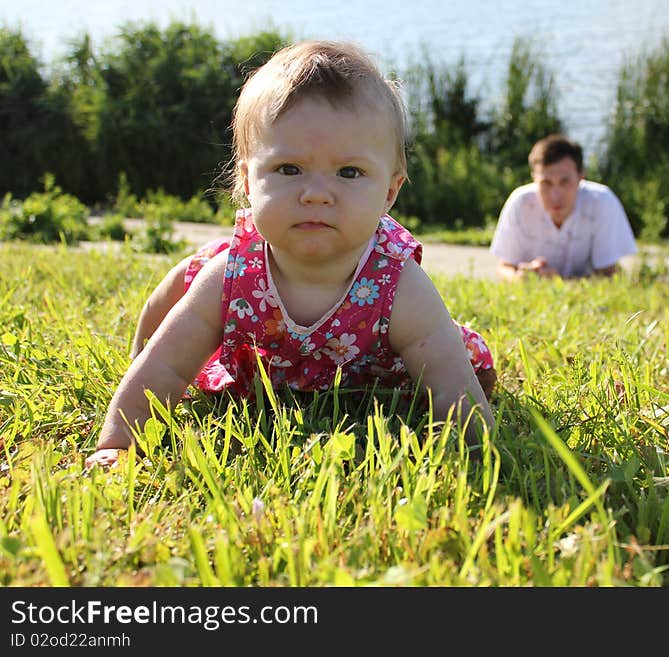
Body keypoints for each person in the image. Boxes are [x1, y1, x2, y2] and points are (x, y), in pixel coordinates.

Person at [86, 40, 496, 468]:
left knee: (462, 357)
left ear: (389, 192)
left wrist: (479, 453)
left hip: (368, 380)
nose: (316, 194)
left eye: (349, 172)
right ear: (247, 181)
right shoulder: (232, 275)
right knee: (187, 281)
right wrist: (116, 444)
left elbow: (449, 382)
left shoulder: (397, 283)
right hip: (261, 364)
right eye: (289, 169)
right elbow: (165, 367)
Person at [489, 134, 637, 280]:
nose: (555, 196)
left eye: (565, 182)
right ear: (534, 178)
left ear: (581, 176)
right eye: (546, 183)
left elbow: (609, 274)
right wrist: (520, 279)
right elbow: (504, 266)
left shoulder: (602, 202)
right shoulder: (520, 202)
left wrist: (559, 283)